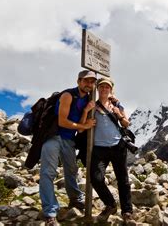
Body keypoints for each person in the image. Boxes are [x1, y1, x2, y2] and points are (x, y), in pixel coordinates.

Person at [40, 70, 97, 226]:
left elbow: (79, 130)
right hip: (54, 137)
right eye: (86, 81)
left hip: (69, 140)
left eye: (92, 82)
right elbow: (62, 121)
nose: (89, 84)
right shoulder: (68, 95)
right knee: (48, 173)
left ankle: (75, 199)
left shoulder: (87, 100)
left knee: (71, 170)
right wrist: (84, 125)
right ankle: (50, 212)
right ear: (79, 81)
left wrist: (85, 111)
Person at [87, 77, 134, 223]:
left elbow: (126, 124)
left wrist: (118, 113)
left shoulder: (117, 105)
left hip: (118, 146)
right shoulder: (93, 106)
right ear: (97, 89)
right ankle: (111, 204)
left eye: (107, 87)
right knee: (96, 178)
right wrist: (87, 112)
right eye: (101, 87)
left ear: (111, 89)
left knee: (123, 180)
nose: (104, 89)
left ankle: (127, 212)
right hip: (99, 148)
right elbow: (84, 123)